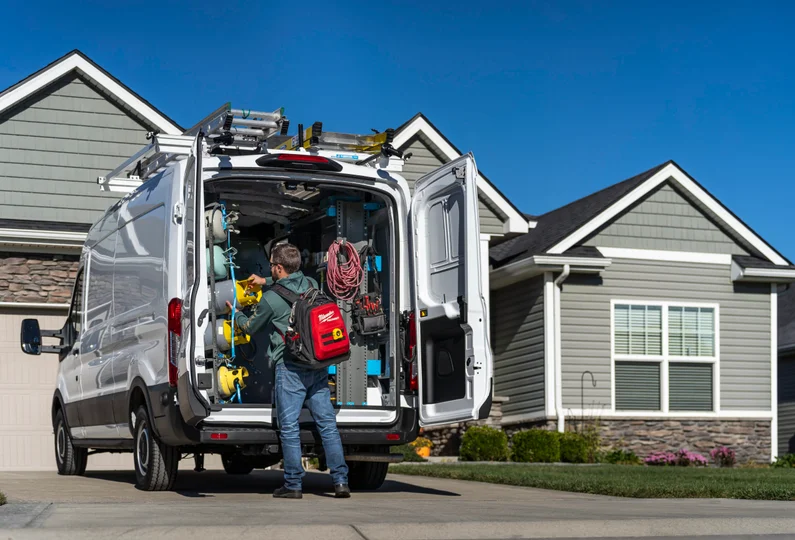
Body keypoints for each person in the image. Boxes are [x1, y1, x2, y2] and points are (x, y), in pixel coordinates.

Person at [227, 243, 350, 499]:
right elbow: (288, 287)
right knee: (328, 425)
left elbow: (250, 328)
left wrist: (236, 314)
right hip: (316, 364)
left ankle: (293, 484)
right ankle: (340, 482)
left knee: (289, 427)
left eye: (272, 265)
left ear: (279, 268)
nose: (270, 268)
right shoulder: (311, 285)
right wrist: (265, 281)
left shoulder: (270, 299)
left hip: (290, 366)